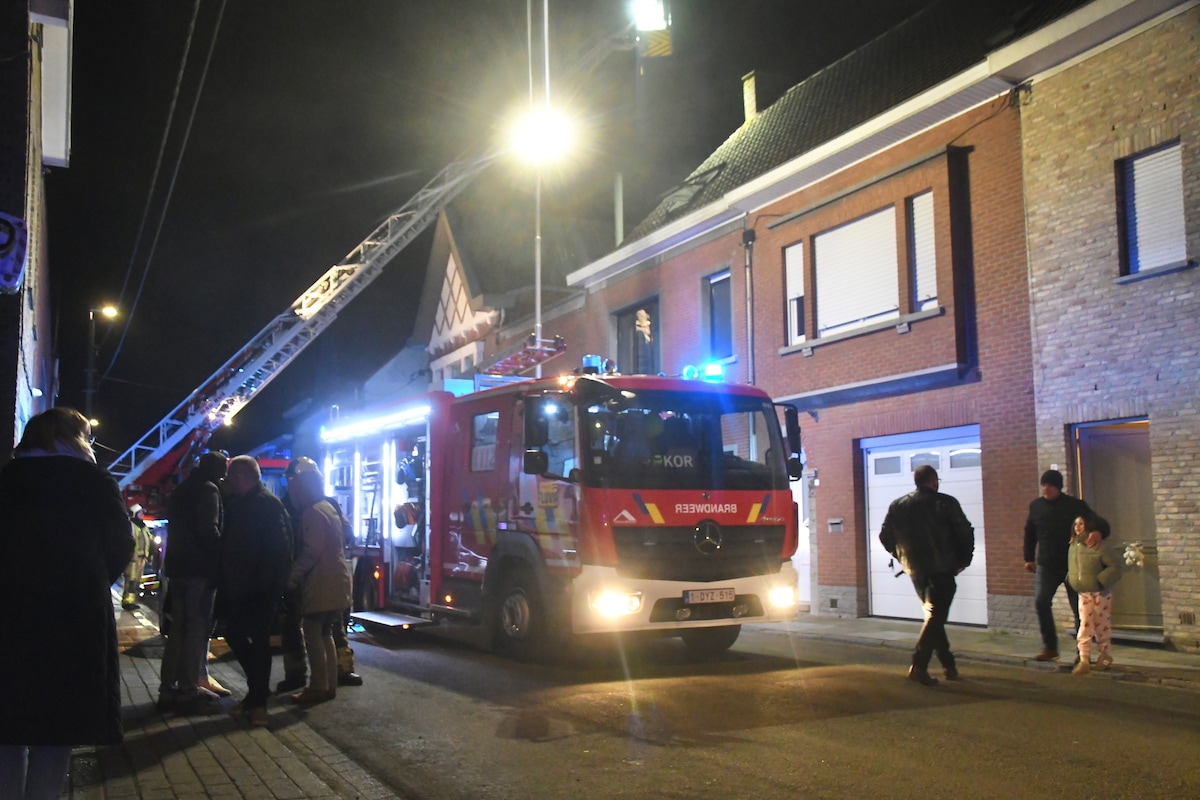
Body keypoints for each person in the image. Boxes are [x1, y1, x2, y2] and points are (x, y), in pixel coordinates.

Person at [0, 408, 134, 799]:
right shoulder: (93, 480)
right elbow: (120, 544)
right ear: (78, 438)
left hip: (9, 616)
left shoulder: (8, 479)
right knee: (56, 731)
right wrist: (89, 580)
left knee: (6, 727)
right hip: (74, 619)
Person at [878, 465, 975, 686]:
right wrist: (963, 561)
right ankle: (919, 664)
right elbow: (964, 531)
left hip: (916, 569)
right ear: (933, 481)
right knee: (936, 616)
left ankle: (949, 665)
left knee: (934, 616)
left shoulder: (898, 505)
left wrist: (902, 556)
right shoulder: (945, 503)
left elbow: (885, 536)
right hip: (942, 568)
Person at [278, 456, 363, 693]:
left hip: (310, 574)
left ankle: (328, 677)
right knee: (309, 629)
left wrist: (293, 574)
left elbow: (316, 546)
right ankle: (303, 675)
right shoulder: (313, 505)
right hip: (313, 574)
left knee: (320, 630)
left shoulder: (309, 507)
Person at [220, 456, 292, 727]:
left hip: (261, 588)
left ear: (242, 477)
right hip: (241, 586)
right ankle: (257, 693)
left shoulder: (267, 505)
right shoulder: (241, 503)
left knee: (259, 643)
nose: (228, 483)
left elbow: (282, 548)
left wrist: (275, 585)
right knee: (236, 635)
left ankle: (258, 701)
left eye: (231, 477)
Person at [157, 450, 228, 715]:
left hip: (177, 569)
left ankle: (167, 690)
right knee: (196, 630)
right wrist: (224, 550)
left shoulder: (183, 488)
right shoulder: (208, 490)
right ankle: (188, 690)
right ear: (219, 471)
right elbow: (209, 530)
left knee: (177, 630)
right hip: (199, 571)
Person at [1022, 469, 1104, 662]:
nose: (1045, 489)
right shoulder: (1036, 506)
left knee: (1079, 607)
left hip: (1073, 565)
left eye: (1050, 485)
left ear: (1058, 487)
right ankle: (1050, 647)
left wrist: (1099, 532)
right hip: (1046, 564)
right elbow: (1030, 533)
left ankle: (1082, 652)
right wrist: (1028, 558)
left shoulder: (1075, 506)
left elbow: (1098, 523)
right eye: (1043, 485)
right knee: (1041, 601)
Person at [1067, 515, 1122, 675]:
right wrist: (1071, 580)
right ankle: (1084, 658)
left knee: (1101, 623)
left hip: (1100, 593)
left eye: (1081, 524)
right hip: (1083, 592)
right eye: (1075, 524)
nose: (1077, 527)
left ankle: (1105, 655)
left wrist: (1101, 581)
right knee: (1085, 624)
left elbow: (1116, 565)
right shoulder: (1073, 546)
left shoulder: (1098, 546)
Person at [121, 504, 153, 610]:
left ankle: (132, 601)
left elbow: (149, 540)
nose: (142, 515)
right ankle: (127, 602)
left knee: (137, 581)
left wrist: (150, 554)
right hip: (133, 559)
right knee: (131, 580)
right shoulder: (131, 526)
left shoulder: (143, 527)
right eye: (140, 513)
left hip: (141, 558)